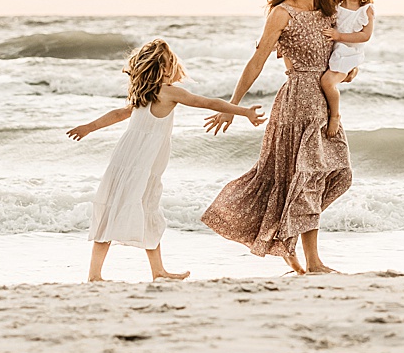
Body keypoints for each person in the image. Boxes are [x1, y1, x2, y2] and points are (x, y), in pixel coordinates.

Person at [200, 0, 352, 274]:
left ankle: (289, 239)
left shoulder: (331, 10)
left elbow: (343, 54)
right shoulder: (282, 13)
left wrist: (348, 71)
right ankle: (313, 261)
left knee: (333, 174)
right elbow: (257, 61)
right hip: (297, 102)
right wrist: (231, 105)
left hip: (325, 102)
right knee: (304, 178)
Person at [67, 39, 263, 282]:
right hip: (140, 163)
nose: (174, 66)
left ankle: (155, 271)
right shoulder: (168, 92)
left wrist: (90, 127)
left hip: (132, 160)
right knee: (134, 207)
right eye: (171, 62)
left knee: (137, 208)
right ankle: (96, 275)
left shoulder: (145, 93)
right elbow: (206, 102)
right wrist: (243, 112)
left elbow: (119, 113)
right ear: (164, 67)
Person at [319, 0, 378, 140]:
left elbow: (365, 36)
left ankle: (335, 114)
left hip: (350, 53)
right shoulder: (336, 6)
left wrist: (340, 36)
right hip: (336, 49)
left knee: (327, 82)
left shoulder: (366, 10)